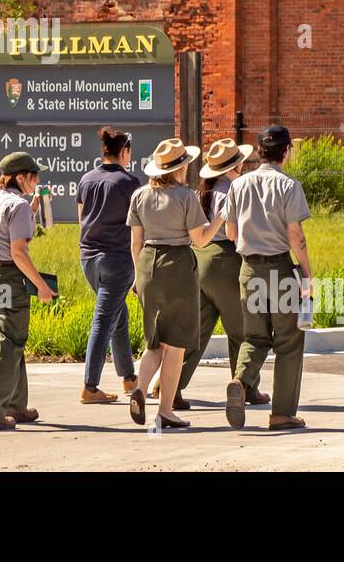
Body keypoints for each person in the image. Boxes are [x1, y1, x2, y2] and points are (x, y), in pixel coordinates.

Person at [126, 138, 227, 430]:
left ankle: (140, 389)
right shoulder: (186, 197)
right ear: (180, 168)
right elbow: (200, 240)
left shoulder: (139, 196)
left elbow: (135, 242)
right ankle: (166, 411)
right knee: (177, 345)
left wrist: (137, 275)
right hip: (178, 266)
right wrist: (220, 217)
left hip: (146, 265)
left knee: (155, 341)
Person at [223, 125, 312, 431]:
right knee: (288, 340)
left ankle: (241, 380)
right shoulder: (289, 186)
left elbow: (230, 232)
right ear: (286, 151)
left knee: (255, 337)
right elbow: (296, 235)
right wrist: (307, 275)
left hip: (248, 268)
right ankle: (282, 413)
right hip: (280, 269)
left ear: (259, 151)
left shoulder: (238, 185)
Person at [173, 139, 270, 409]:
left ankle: (171, 387)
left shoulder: (203, 191)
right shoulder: (233, 191)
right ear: (235, 166)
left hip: (200, 260)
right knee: (241, 328)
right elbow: (235, 231)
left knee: (197, 332)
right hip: (226, 261)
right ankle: (246, 386)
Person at [0, 151, 56, 431]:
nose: (37, 181)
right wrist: (42, 286)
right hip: (7, 276)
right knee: (9, 342)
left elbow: (1, 232)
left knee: (6, 341)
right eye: (34, 176)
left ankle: (15, 405)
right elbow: (18, 252)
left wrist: (32, 208)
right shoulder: (17, 206)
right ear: (21, 177)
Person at [75, 126, 141, 404]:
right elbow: (139, 228)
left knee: (118, 317)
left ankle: (129, 378)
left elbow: (82, 220)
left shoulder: (86, 180)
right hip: (117, 260)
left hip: (88, 259)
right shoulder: (129, 183)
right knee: (103, 320)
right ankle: (90, 387)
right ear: (124, 152)